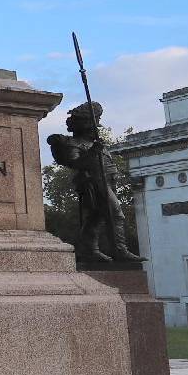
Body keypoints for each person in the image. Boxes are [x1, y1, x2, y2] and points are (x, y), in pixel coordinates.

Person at [47, 101, 146, 263]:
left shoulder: (96, 144)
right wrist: (93, 153)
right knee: (116, 215)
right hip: (94, 184)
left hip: (108, 183)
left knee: (95, 218)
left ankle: (89, 250)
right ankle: (120, 250)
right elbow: (76, 164)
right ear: (85, 127)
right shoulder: (75, 144)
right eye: (94, 126)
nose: (96, 129)